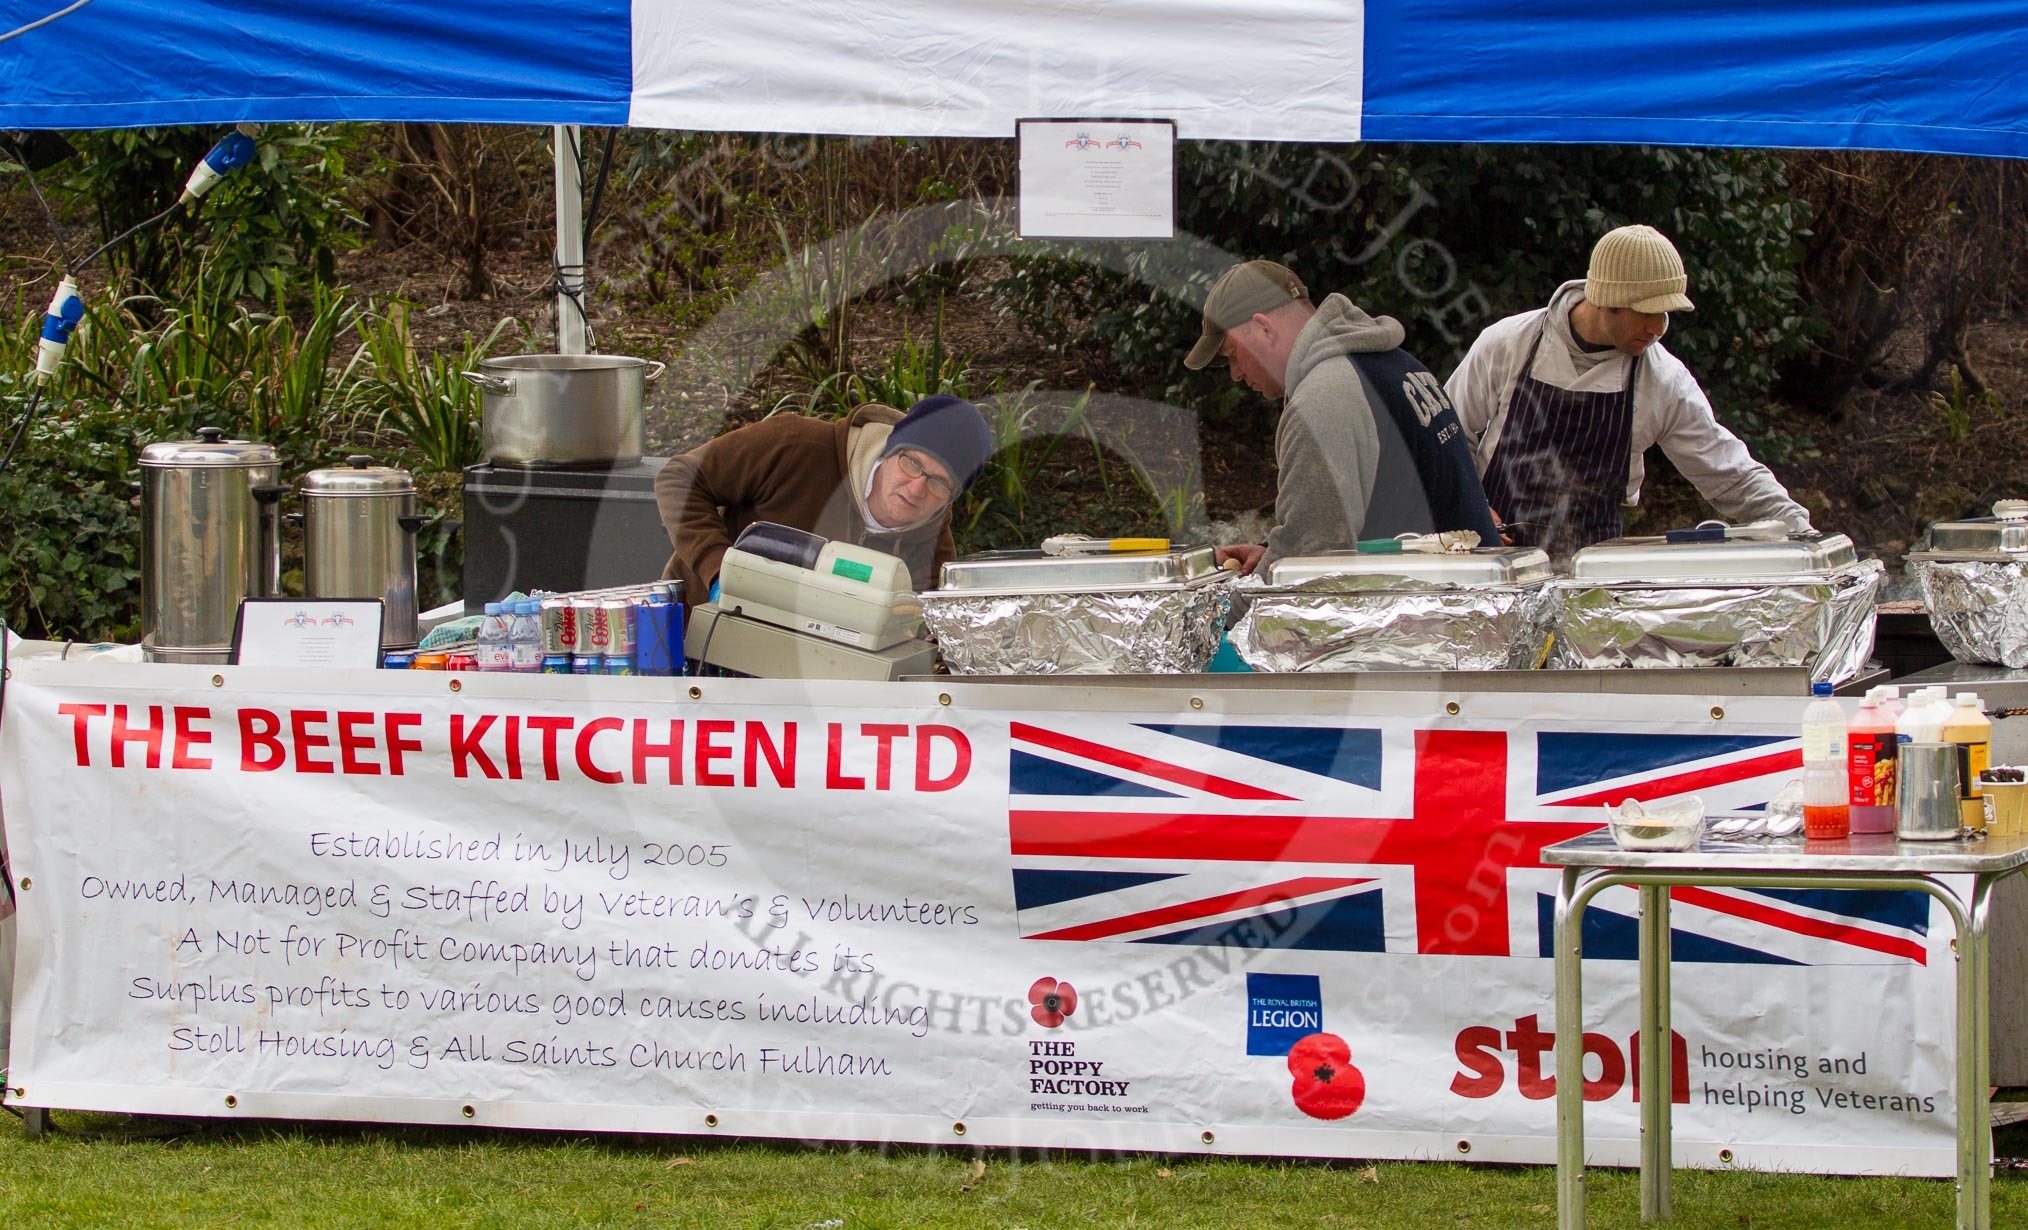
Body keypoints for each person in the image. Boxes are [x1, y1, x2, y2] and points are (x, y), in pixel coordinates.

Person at [1444, 224, 1812, 558]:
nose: (1659, 327)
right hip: (1495, 563)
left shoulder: (1662, 380)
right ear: (1604, 300)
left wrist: (1801, 531)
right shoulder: (1509, 343)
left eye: (1666, 313)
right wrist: (1473, 507)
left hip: (1591, 574)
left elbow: (1729, 471)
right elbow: (1445, 433)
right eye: (1647, 312)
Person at [1183, 260, 1501, 575]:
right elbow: (1392, 506)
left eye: (1232, 356)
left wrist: (1227, 613)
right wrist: (1270, 554)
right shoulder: (1397, 366)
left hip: (1428, 616)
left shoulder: (1323, 400)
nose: (1235, 374)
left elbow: (1308, 562)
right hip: (1476, 600)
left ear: (1264, 329)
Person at [655, 393, 994, 603]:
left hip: (815, 680)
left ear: (952, 498)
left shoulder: (931, 541)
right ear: (891, 449)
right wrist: (718, 569)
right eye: (912, 463)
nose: (917, 487)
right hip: (692, 638)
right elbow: (679, 478)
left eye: (939, 482)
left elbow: (921, 626)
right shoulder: (794, 445)